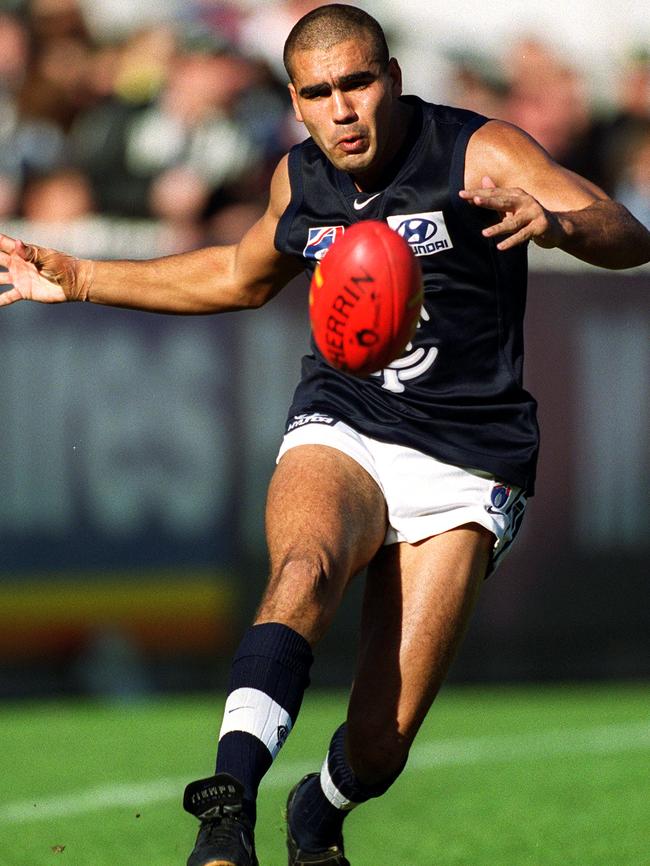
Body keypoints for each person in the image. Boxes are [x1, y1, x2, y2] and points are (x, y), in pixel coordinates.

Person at [1, 5, 649, 865]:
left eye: (358, 83)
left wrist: (560, 223)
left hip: (468, 454)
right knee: (303, 568)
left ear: (394, 80)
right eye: (319, 92)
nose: (343, 109)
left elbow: (627, 231)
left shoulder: (478, 151)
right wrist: (80, 276)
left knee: (380, 745)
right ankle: (224, 817)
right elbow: (237, 275)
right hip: (346, 419)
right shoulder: (298, 179)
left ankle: (322, 808)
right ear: (297, 103)